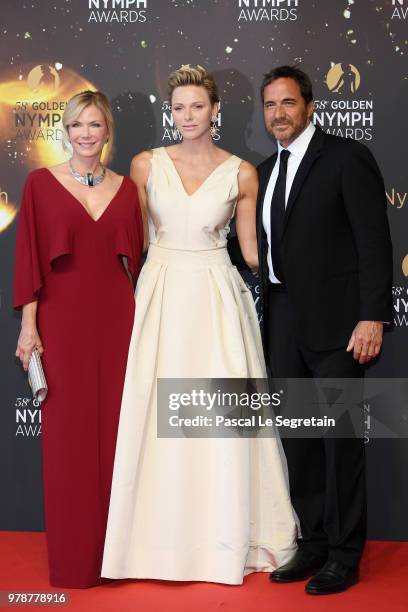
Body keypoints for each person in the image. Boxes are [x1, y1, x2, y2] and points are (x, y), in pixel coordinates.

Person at [101, 65, 297, 584]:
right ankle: (152, 543)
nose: (187, 116)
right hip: (162, 294)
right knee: (155, 413)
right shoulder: (145, 165)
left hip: (215, 296)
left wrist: (322, 276)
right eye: (179, 107)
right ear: (171, 112)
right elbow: (134, 245)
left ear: (215, 111)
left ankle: (225, 540)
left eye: (197, 107)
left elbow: (254, 254)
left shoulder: (241, 173)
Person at [237, 65, 392, 595]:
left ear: (308, 106)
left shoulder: (347, 158)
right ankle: (315, 543)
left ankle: (346, 555)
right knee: (299, 441)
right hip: (281, 319)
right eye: (269, 105)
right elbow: (254, 250)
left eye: (287, 103)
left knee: (340, 442)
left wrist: (373, 316)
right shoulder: (261, 171)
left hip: (341, 325)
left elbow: (374, 243)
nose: (278, 114)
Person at [14, 90, 144, 588]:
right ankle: (73, 562)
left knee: (117, 436)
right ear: (64, 132)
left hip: (117, 322)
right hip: (61, 322)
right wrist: (30, 326)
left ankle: (117, 559)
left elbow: (137, 264)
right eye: (76, 126)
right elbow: (28, 259)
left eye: (94, 125)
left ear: (107, 131)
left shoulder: (128, 189)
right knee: (67, 444)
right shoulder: (40, 185)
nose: (86, 134)